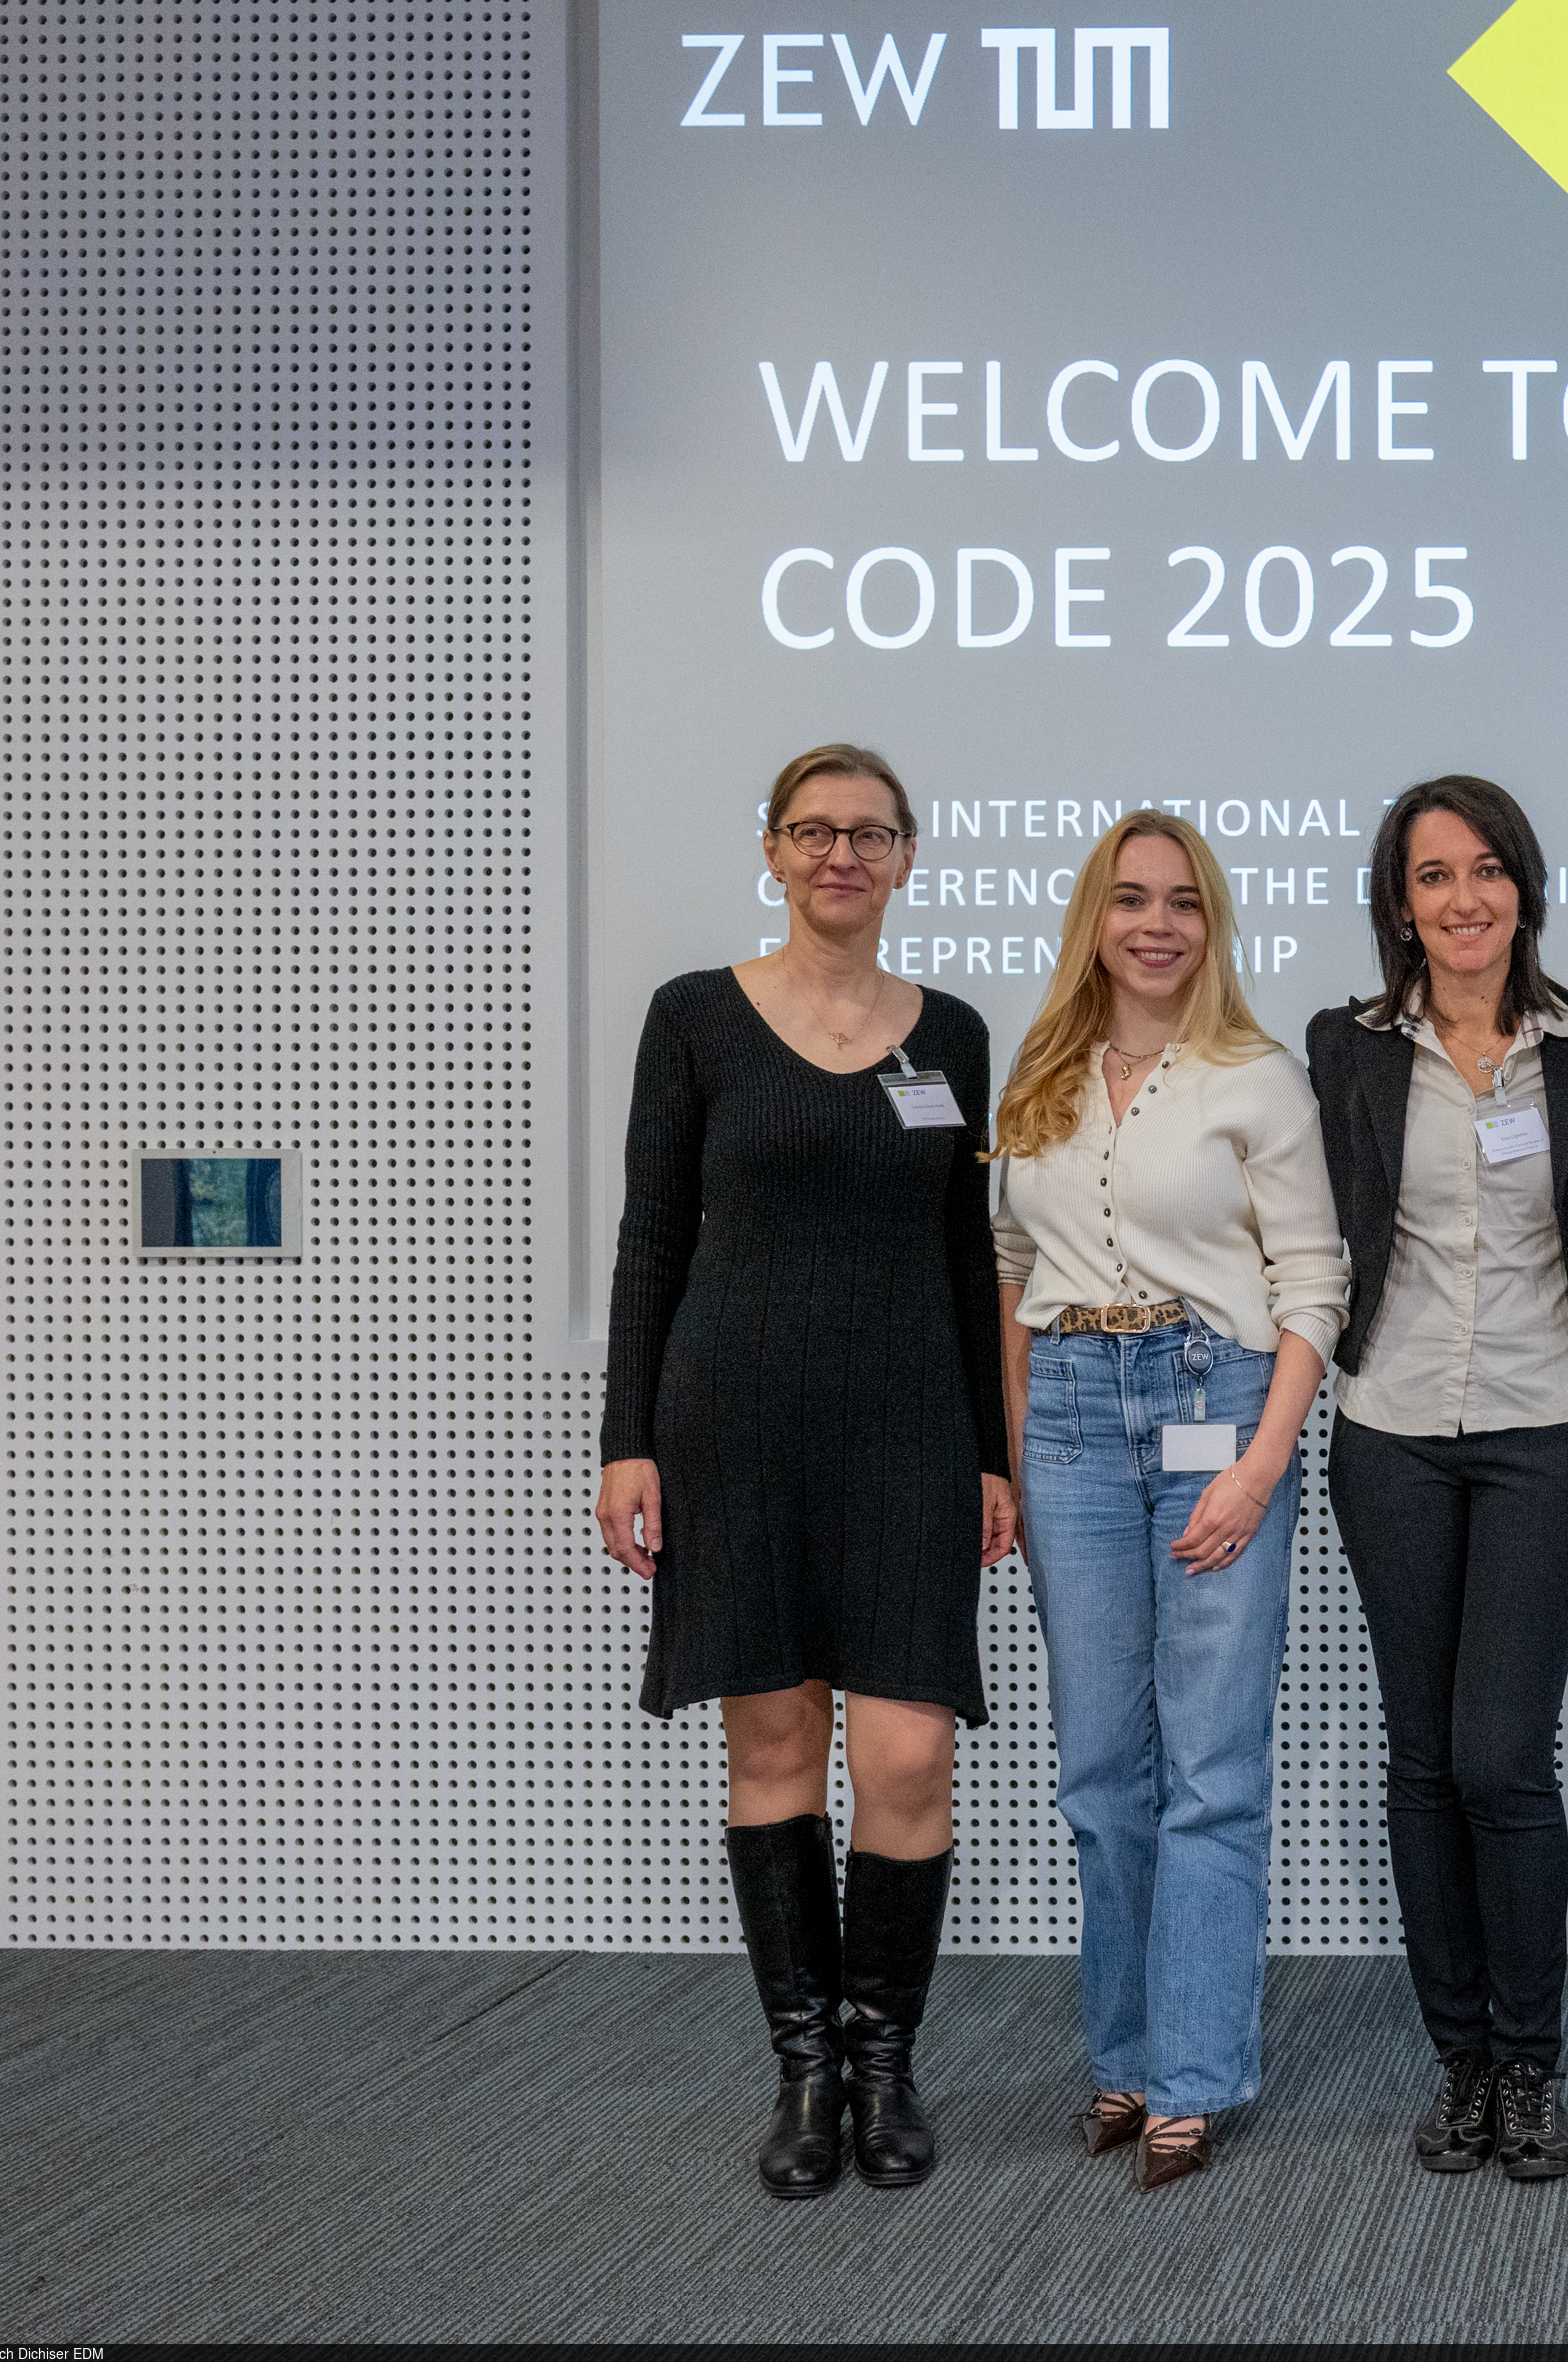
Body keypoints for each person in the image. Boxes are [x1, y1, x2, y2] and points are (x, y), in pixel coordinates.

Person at [594, 742, 1016, 2202]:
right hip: (737, 1425)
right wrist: (625, 1440)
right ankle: (808, 2072)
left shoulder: (953, 1032)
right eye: (814, 830)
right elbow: (652, 1238)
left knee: (907, 1752)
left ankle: (889, 2058)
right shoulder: (696, 1018)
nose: (843, 853)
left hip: (908, 1428)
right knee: (772, 1749)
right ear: (772, 851)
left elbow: (971, 1257)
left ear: (908, 857)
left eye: (871, 832)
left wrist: (993, 1457)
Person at [991, 811, 1345, 2191]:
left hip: (1217, 1398)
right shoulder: (1041, 1070)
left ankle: (1194, 2073)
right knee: (1097, 1768)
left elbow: (1314, 1283)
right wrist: (1019, 1448)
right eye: (1130, 898)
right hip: (1071, 1416)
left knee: (1209, 1765)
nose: (1155, 923)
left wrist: (1261, 1463)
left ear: (1214, 924)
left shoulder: (1257, 1076)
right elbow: (1014, 1267)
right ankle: (1123, 2056)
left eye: (1182, 902)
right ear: (1092, 915)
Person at [1308, 776, 1568, 2184]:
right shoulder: (1344, 1048)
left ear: (1526, 888)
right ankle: (1459, 2067)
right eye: (1434, 874)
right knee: (1425, 1758)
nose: (1464, 898)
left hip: (1542, 1429)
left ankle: (1531, 2063)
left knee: (1503, 1755)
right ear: (1400, 902)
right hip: (1387, 1428)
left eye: (1489, 869)